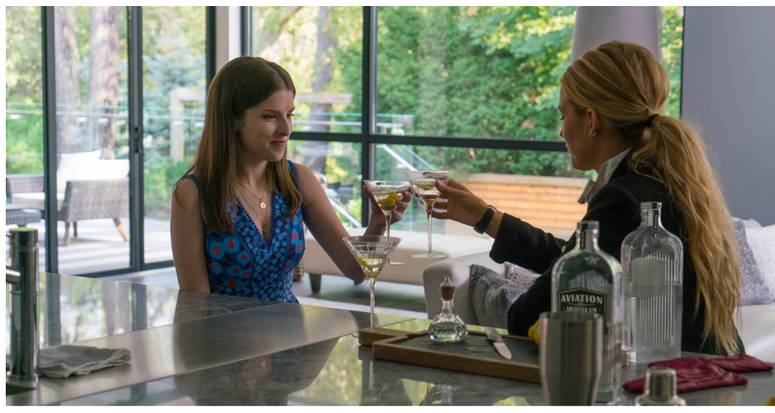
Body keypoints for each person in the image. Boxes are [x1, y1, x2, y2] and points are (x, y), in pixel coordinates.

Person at [431, 41, 743, 356]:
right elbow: (574, 259)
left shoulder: (622, 198)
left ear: (591, 120)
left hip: (675, 380)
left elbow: (527, 316)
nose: (562, 132)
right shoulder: (660, 177)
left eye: (564, 116)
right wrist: (486, 218)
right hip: (709, 366)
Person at [171, 56, 410, 302]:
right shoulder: (193, 193)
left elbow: (355, 269)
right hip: (223, 339)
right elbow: (196, 304)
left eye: (290, 115)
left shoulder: (299, 181)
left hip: (292, 335)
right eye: (269, 116)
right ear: (232, 119)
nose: (286, 129)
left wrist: (378, 223)